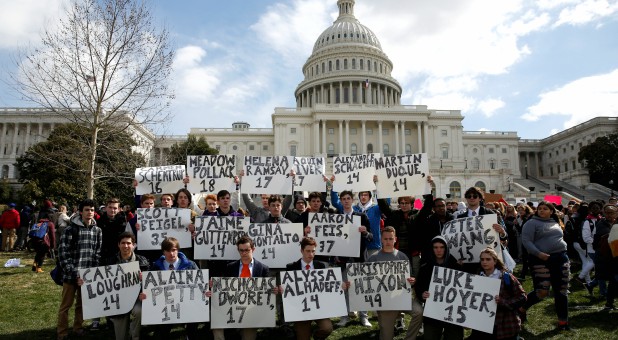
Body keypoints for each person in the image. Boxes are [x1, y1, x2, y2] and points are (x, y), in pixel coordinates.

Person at [520, 201, 571, 331]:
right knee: (542, 291)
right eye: (540, 209)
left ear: (551, 211)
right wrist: (538, 253)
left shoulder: (555, 222)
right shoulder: (531, 223)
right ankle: (521, 308)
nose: (541, 211)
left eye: (545, 209)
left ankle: (563, 323)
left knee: (561, 291)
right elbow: (526, 241)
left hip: (560, 258)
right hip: (540, 259)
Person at [57, 199, 102, 340]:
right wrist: (73, 272)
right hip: (71, 275)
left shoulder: (98, 231)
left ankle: (78, 328)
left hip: (87, 276)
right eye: (87, 210)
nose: (90, 212)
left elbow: (97, 253)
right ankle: (62, 332)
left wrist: (92, 273)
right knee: (66, 306)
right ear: (80, 212)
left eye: (92, 210)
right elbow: (63, 253)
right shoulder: (70, 229)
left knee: (81, 305)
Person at [210, 236, 272, 340]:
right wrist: (214, 287)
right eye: (241, 250)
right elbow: (224, 287)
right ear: (238, 250)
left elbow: (265, 291)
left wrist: (272, 290)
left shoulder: (263, 268)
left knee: (249, 337)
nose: (244, 253)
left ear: (253, 249)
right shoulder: (230, 267)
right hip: (231, 306)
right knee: (216, 321)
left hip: (251, 309)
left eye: (247, 250)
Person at [366, 226, 422, 340]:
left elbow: (409, 278)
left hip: (402, 297)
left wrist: (412, 280)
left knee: (419, 312)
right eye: (385, 239)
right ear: (381, 239)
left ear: (395, 239)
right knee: (386, 337)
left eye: (390, 239)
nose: (388, 242)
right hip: (386, 302)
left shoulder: (402, 256)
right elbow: (365, 280)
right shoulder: (373, 258)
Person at [142, 237, 201, 340]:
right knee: (161, 334)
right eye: (168, 251)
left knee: (193, 331)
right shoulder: (156, 266)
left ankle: (189, 333)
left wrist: (205, 291)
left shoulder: (190, 265)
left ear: (178, 250)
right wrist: (144, 294)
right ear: (163, 252)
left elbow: (200, 284)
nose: (171, 253)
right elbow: (150, 288)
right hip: (165, 306)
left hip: (186, 303)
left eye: (174, 250)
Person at [330, 190, 373, 328]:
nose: (346, 201)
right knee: (344, 288)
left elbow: (371, 237)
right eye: (343, 199)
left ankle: (364, 316)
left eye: (348, 198)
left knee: (361, 288)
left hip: (359, 258)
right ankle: (344, 316)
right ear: (341, 201)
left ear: (352, 200)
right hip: (342, 260)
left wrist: (365, 232)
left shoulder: (362, 216)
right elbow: (331, 238)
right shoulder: (335, 217)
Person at [467, 247, 526, 340]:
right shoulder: (477, 278)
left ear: (495, 261)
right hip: (483, 326)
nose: (484, 262)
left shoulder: (506, 276)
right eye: (482, 259)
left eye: (488, 259)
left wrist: (503, 302)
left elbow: (522, 297)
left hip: (505, 325)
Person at [99, 232, 149, 340]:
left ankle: (135, 336)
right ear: (118, 244)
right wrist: (84, 281)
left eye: (128, 243)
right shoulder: (110, 261)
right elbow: (99, 280)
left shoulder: (143, 261)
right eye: (123, 243)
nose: (125, 246)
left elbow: (152, 284)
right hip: (118, 300)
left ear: (133, 245)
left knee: (139, 310)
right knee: (120, 337)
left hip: (136, 298)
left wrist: (144, 279)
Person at [284, 237, 333, 340]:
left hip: (318, 308)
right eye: (308, 251)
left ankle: (316, 336)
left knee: (327, 328)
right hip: (301, 311)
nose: (311, 254)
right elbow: (288, 290)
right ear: (301, 251)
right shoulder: (291, 267)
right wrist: (282, 289)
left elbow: (328, 286)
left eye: (313, 251)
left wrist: (339, 286)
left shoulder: (321, 266)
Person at [416, 235, 464, 339]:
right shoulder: (425, 268)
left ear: (446, 249)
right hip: (433, 312)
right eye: (435, 247)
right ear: (431, 249)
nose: (439, 250)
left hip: (453, 312)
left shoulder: (456, 267)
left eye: (442, 247)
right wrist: (422, 294)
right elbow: (419, 287)